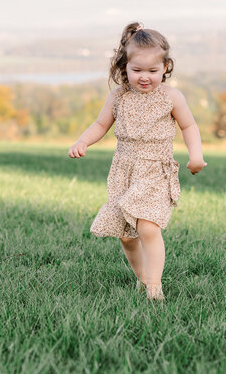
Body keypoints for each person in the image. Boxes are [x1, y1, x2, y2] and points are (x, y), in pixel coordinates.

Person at [68, 21, 207, 301]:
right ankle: (143, 278)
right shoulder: (119, 96)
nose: (145, 77)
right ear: (125, 67)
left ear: (166, 67)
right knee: (127, 234)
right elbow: (100, 124)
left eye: (153, 71)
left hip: (156, 169)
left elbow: (189, 127)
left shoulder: (171, 97)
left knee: (147, 226)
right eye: (137, 70)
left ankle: (155, 288)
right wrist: (82, 141)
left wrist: (196, 157)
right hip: (125, 170)